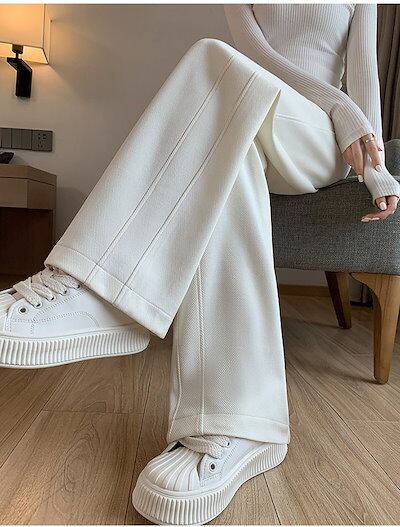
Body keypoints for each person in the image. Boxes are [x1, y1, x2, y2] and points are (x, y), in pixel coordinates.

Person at [0, 4, 399, 525]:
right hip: (252, 106)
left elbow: (364, 74)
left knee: (213, 60)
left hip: (318, 135)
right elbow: (256, 55)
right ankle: (241, 423)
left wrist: (375, 166)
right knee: (229, 147)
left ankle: (105, 287)